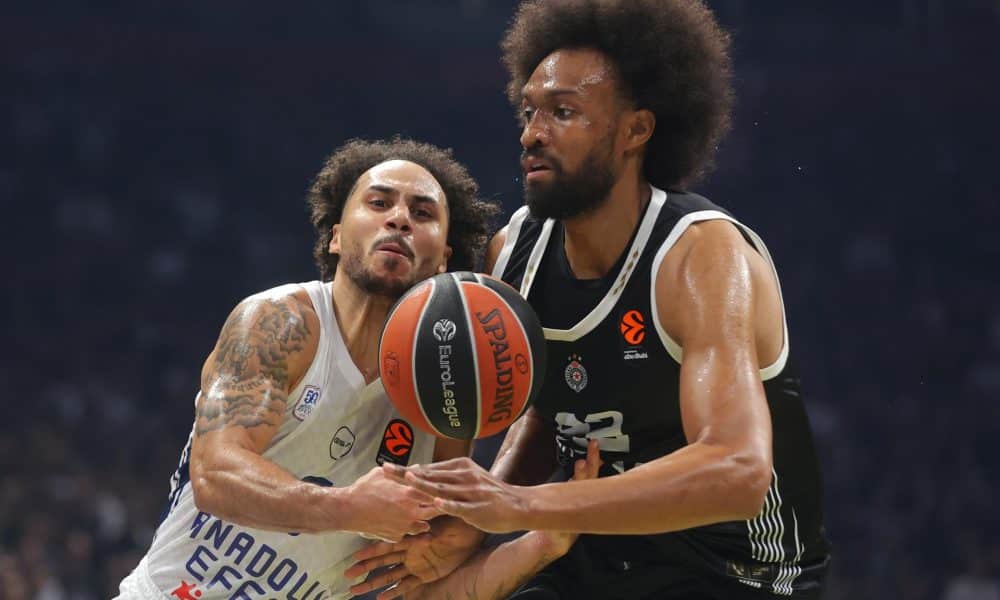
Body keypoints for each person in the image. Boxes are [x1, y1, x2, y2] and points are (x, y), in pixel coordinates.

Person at [355, 1, 831, 598]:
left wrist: (522, 504)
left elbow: (738, 470)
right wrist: (479, 517)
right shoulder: (514, 252)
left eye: (563, 112)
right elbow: (544, 415)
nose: (532, 132)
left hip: (734, 568)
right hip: (592, 552)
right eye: (528, 112)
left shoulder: (700, 256)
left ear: (636, 130)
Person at [113, 138, 502, 600]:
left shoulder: (445, 388)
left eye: (423, 214)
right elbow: (216, 475)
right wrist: (348, 508)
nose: (399, 218)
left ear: (444, 259)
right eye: (379, 203)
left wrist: (509, 536)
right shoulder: (281, 322)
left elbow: (440, 560)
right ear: (336, 235)